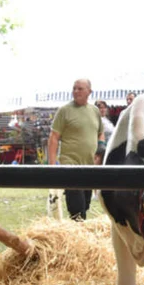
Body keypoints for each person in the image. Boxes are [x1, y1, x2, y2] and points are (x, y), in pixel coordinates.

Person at [46, 78, 104, 220]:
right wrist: (51, 166)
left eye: (80, 88)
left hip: (89, 166)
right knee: (77, 210)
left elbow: (100, 132)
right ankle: (78, 236)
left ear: (89, 92)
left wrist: (101, 146)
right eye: (74, 88)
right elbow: (53, 138)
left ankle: (78, 233)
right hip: (70, 165)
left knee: (85, 205)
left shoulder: (95, 111)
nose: (76, 91)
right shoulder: (64, 111)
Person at [95, 100, 116, 164]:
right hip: (100, 149)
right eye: (100, 107)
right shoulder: (96, 120)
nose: (103, 109)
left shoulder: (107, 120)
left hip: (109, 149)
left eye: (104, 107)